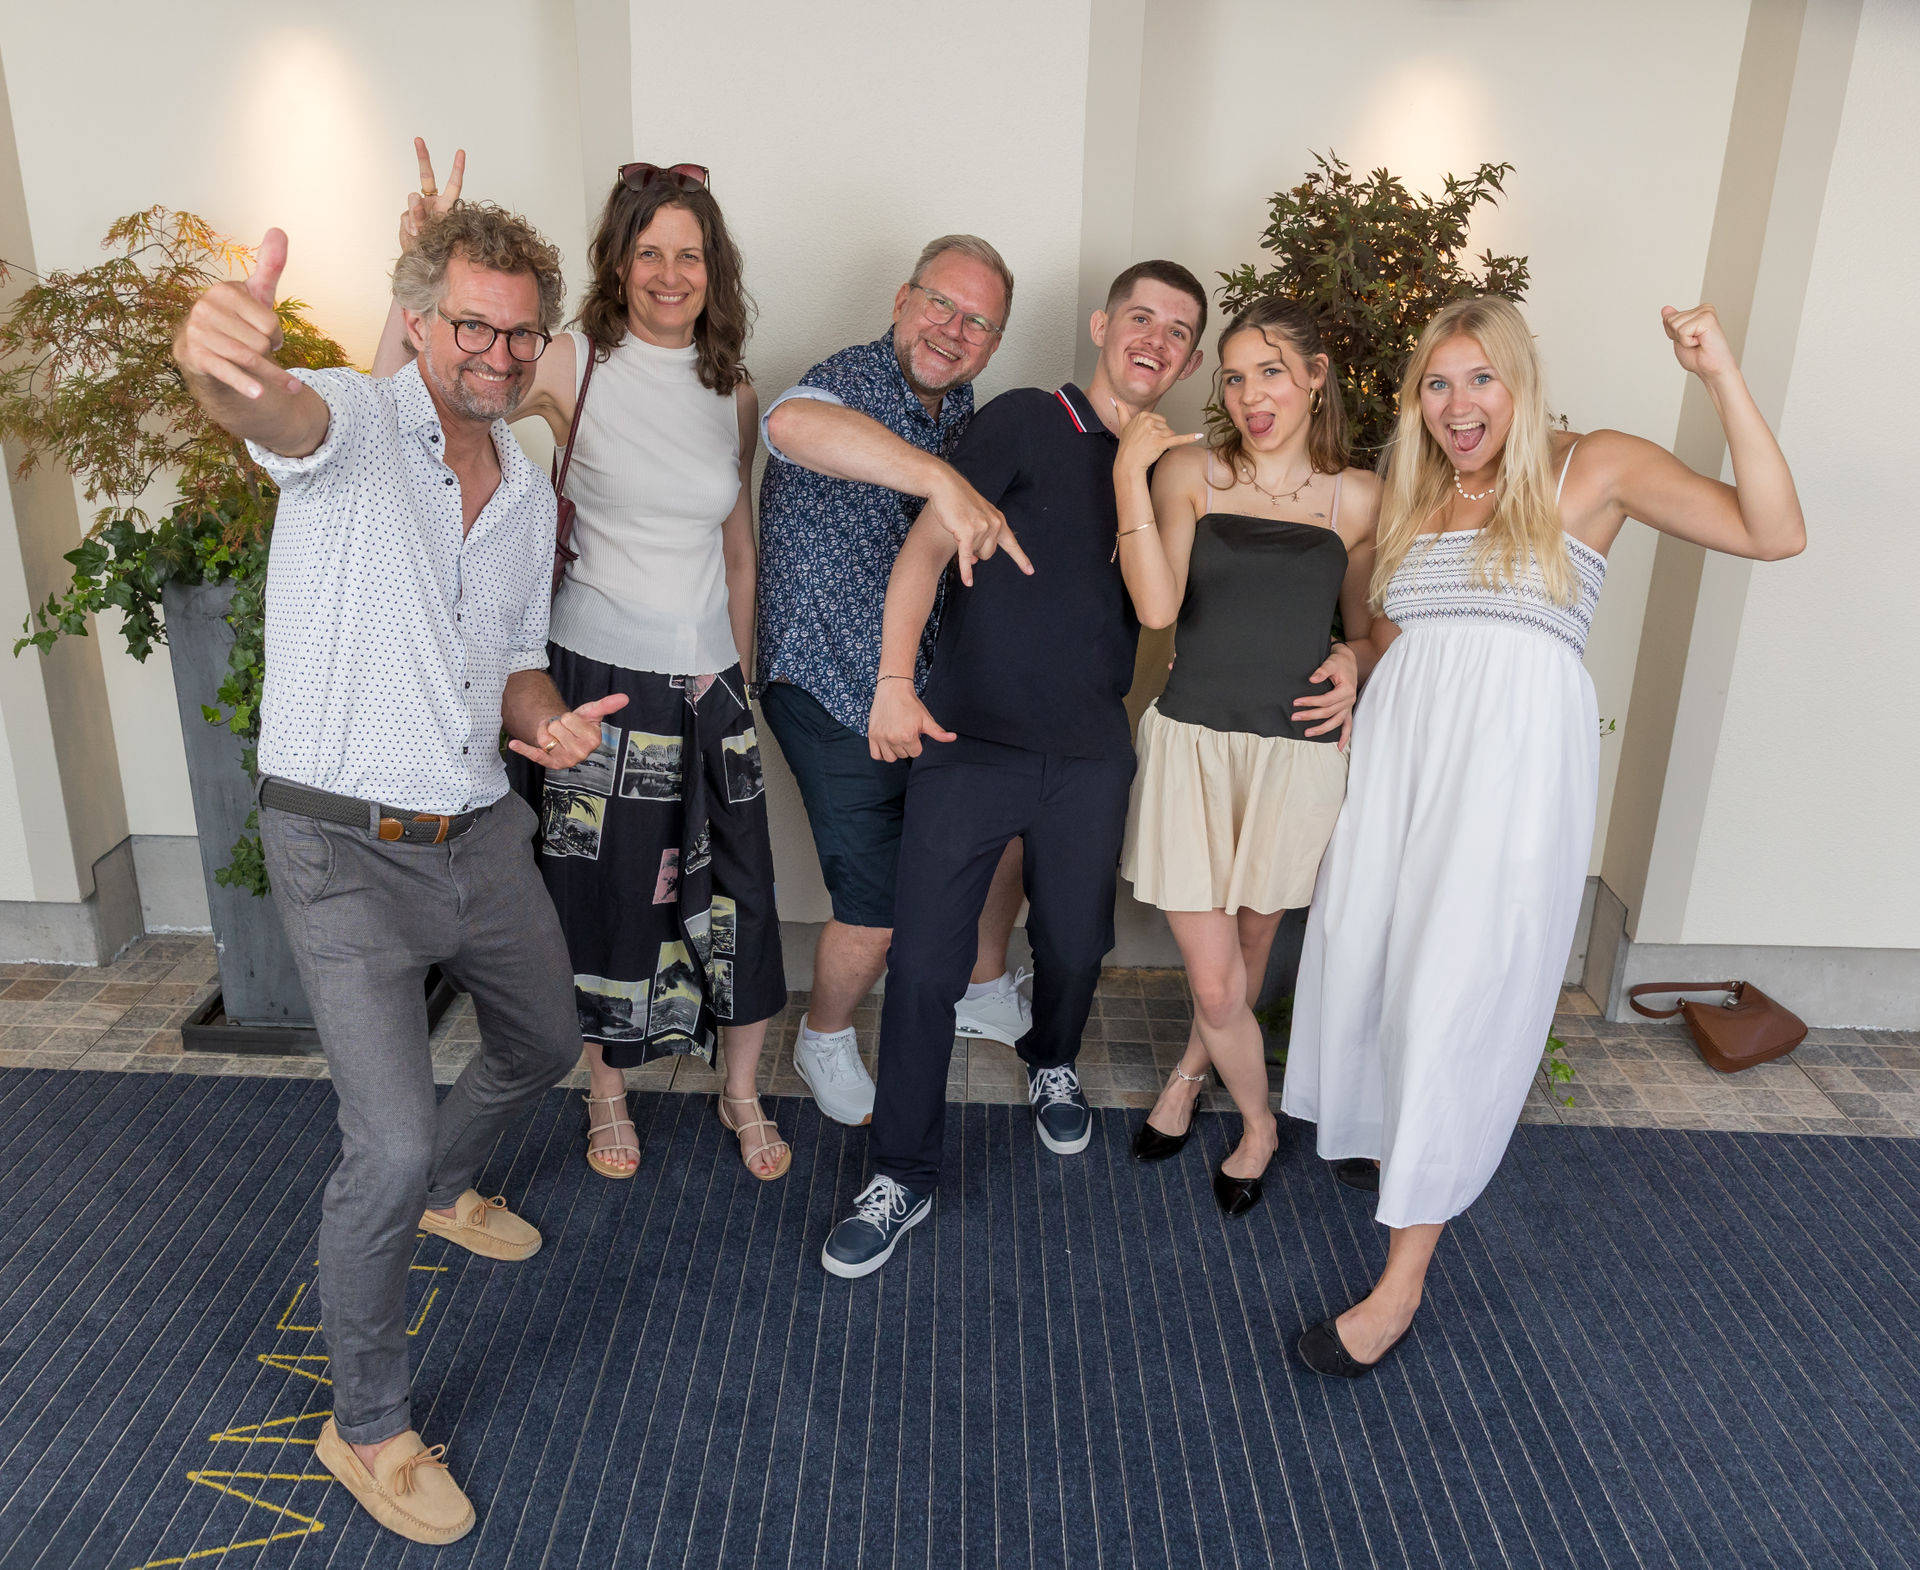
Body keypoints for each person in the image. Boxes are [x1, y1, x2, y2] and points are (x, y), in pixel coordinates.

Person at [174, 206, 611, 1541]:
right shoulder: (358, 424)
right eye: (473, 324)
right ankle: (366, 1424)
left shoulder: (526, 485)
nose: (499, 352)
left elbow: (514, 658)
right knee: (391, 1136)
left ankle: (439, 1196)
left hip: (475, 826)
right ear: (419, 321)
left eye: (522, 332)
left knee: (543, 1041)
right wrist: (220, 356)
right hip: (341, 843)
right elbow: (272, 411)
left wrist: (544, 720)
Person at [1284, 294, 1806, 1378]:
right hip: (1402, 771)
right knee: (1376, 963)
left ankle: (1400, 1285)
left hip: (1510, 783)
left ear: (1520, 379)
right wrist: (1353, 659)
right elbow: (1393, 632)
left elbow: (1774, 531)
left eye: (1480, 378)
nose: (1458, 403)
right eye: (1437, 383)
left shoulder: (1592, 466)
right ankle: (1395, 1143)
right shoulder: (1420, 491)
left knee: (1457, 995)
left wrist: (1720, 375)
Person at [378, 144, 788, 1181]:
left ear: (714, 268)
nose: (669, 274)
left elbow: (736, 548)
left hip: (710, 685)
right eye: (649, 253)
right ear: (618, 261)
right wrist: (419, 272)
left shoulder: (733, 389)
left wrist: (739, 678)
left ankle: (741, 1089)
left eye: (688, 255)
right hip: (601, 680)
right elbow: (408, 409)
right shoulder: (571, 361)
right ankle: (608, 1091)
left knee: (738, 899)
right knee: (604, 901)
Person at [820, 261, 1210, 1279]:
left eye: (1178, 331)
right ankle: (900, 1172)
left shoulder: (1171, 469)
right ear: (1102, 325)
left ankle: (1050, 1059)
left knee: (1077, 946)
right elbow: (923, 550)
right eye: (1140, 317)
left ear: (1190, 360)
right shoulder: (1028, 420)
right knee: (925, 969)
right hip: (970, 745)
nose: (1155, 339)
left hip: (1089, 753)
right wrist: (893, 681)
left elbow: (1178, 604)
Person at [756, 235, 1035, 1127]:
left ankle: (979, 986)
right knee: (875, 907)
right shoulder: (846, 382)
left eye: (978, 322)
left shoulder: (963, 406)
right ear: (902, 301)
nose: (953, 330)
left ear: (994, 344)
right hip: (827, 682)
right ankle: (825, 1034)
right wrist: (938, 479)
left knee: (1006, 821)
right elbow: (789, 426)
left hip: (915, 685)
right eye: (941, 304)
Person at [1112, 297, 1379, 1215]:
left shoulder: (1360, 498)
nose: (1250, 395)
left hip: (1297, 755)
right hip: (1192, 744)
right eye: (1233, 377)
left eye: (1271, 372)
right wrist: (1128, 474)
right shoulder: (1191, 470)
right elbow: (1156, 608)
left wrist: (1356, 660)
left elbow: (1371, 628)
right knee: (1216, 974)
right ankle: (1260, 1125)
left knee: (1253, 944)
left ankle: (1189, 1076)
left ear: (1315, 376)